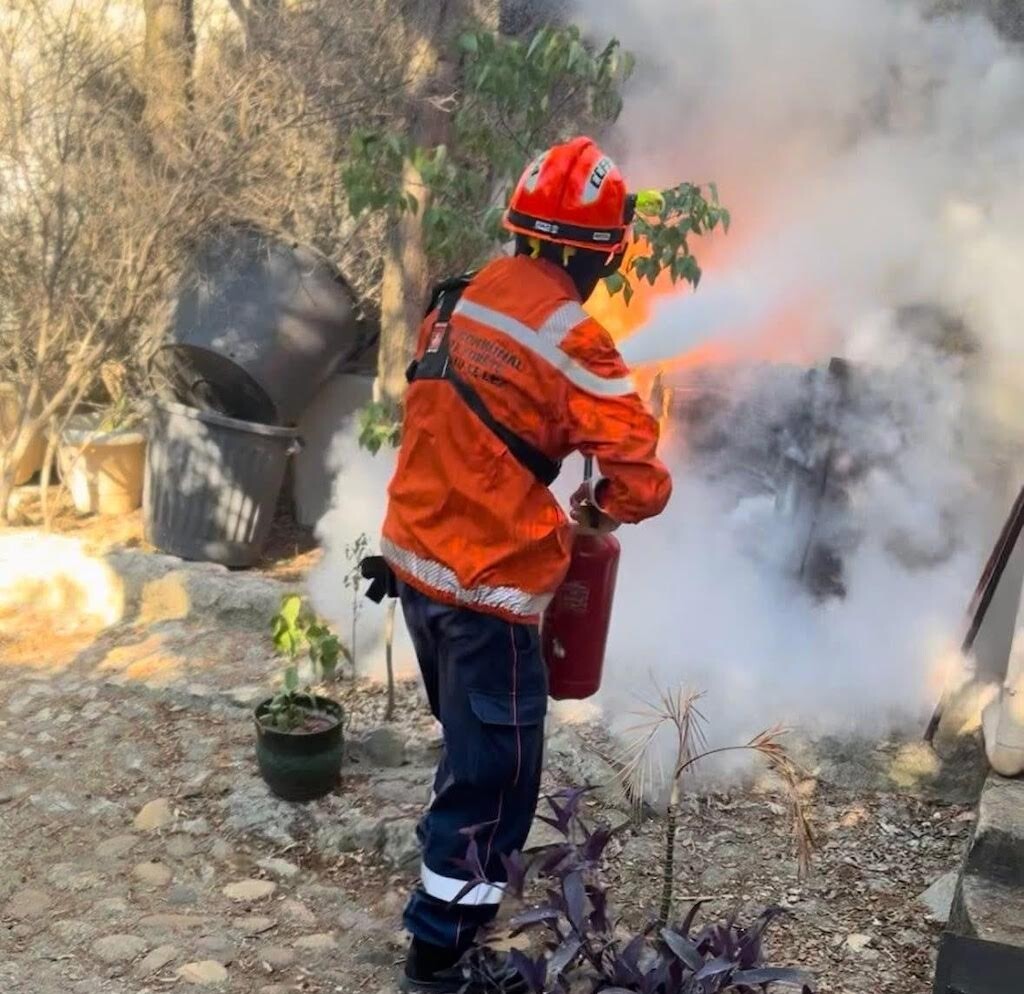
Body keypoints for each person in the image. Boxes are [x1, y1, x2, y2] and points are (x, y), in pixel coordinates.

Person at [380, 136, 672, 992]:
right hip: (488, 595)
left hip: (416, 569)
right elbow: (643, 479)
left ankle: (448, 890)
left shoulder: (456, 298)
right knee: (496, 784)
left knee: (468, 750)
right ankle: (441, 956)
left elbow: (441, 423)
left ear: (520, 229)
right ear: (599, 255)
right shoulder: (573, 339)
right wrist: (598, 507)